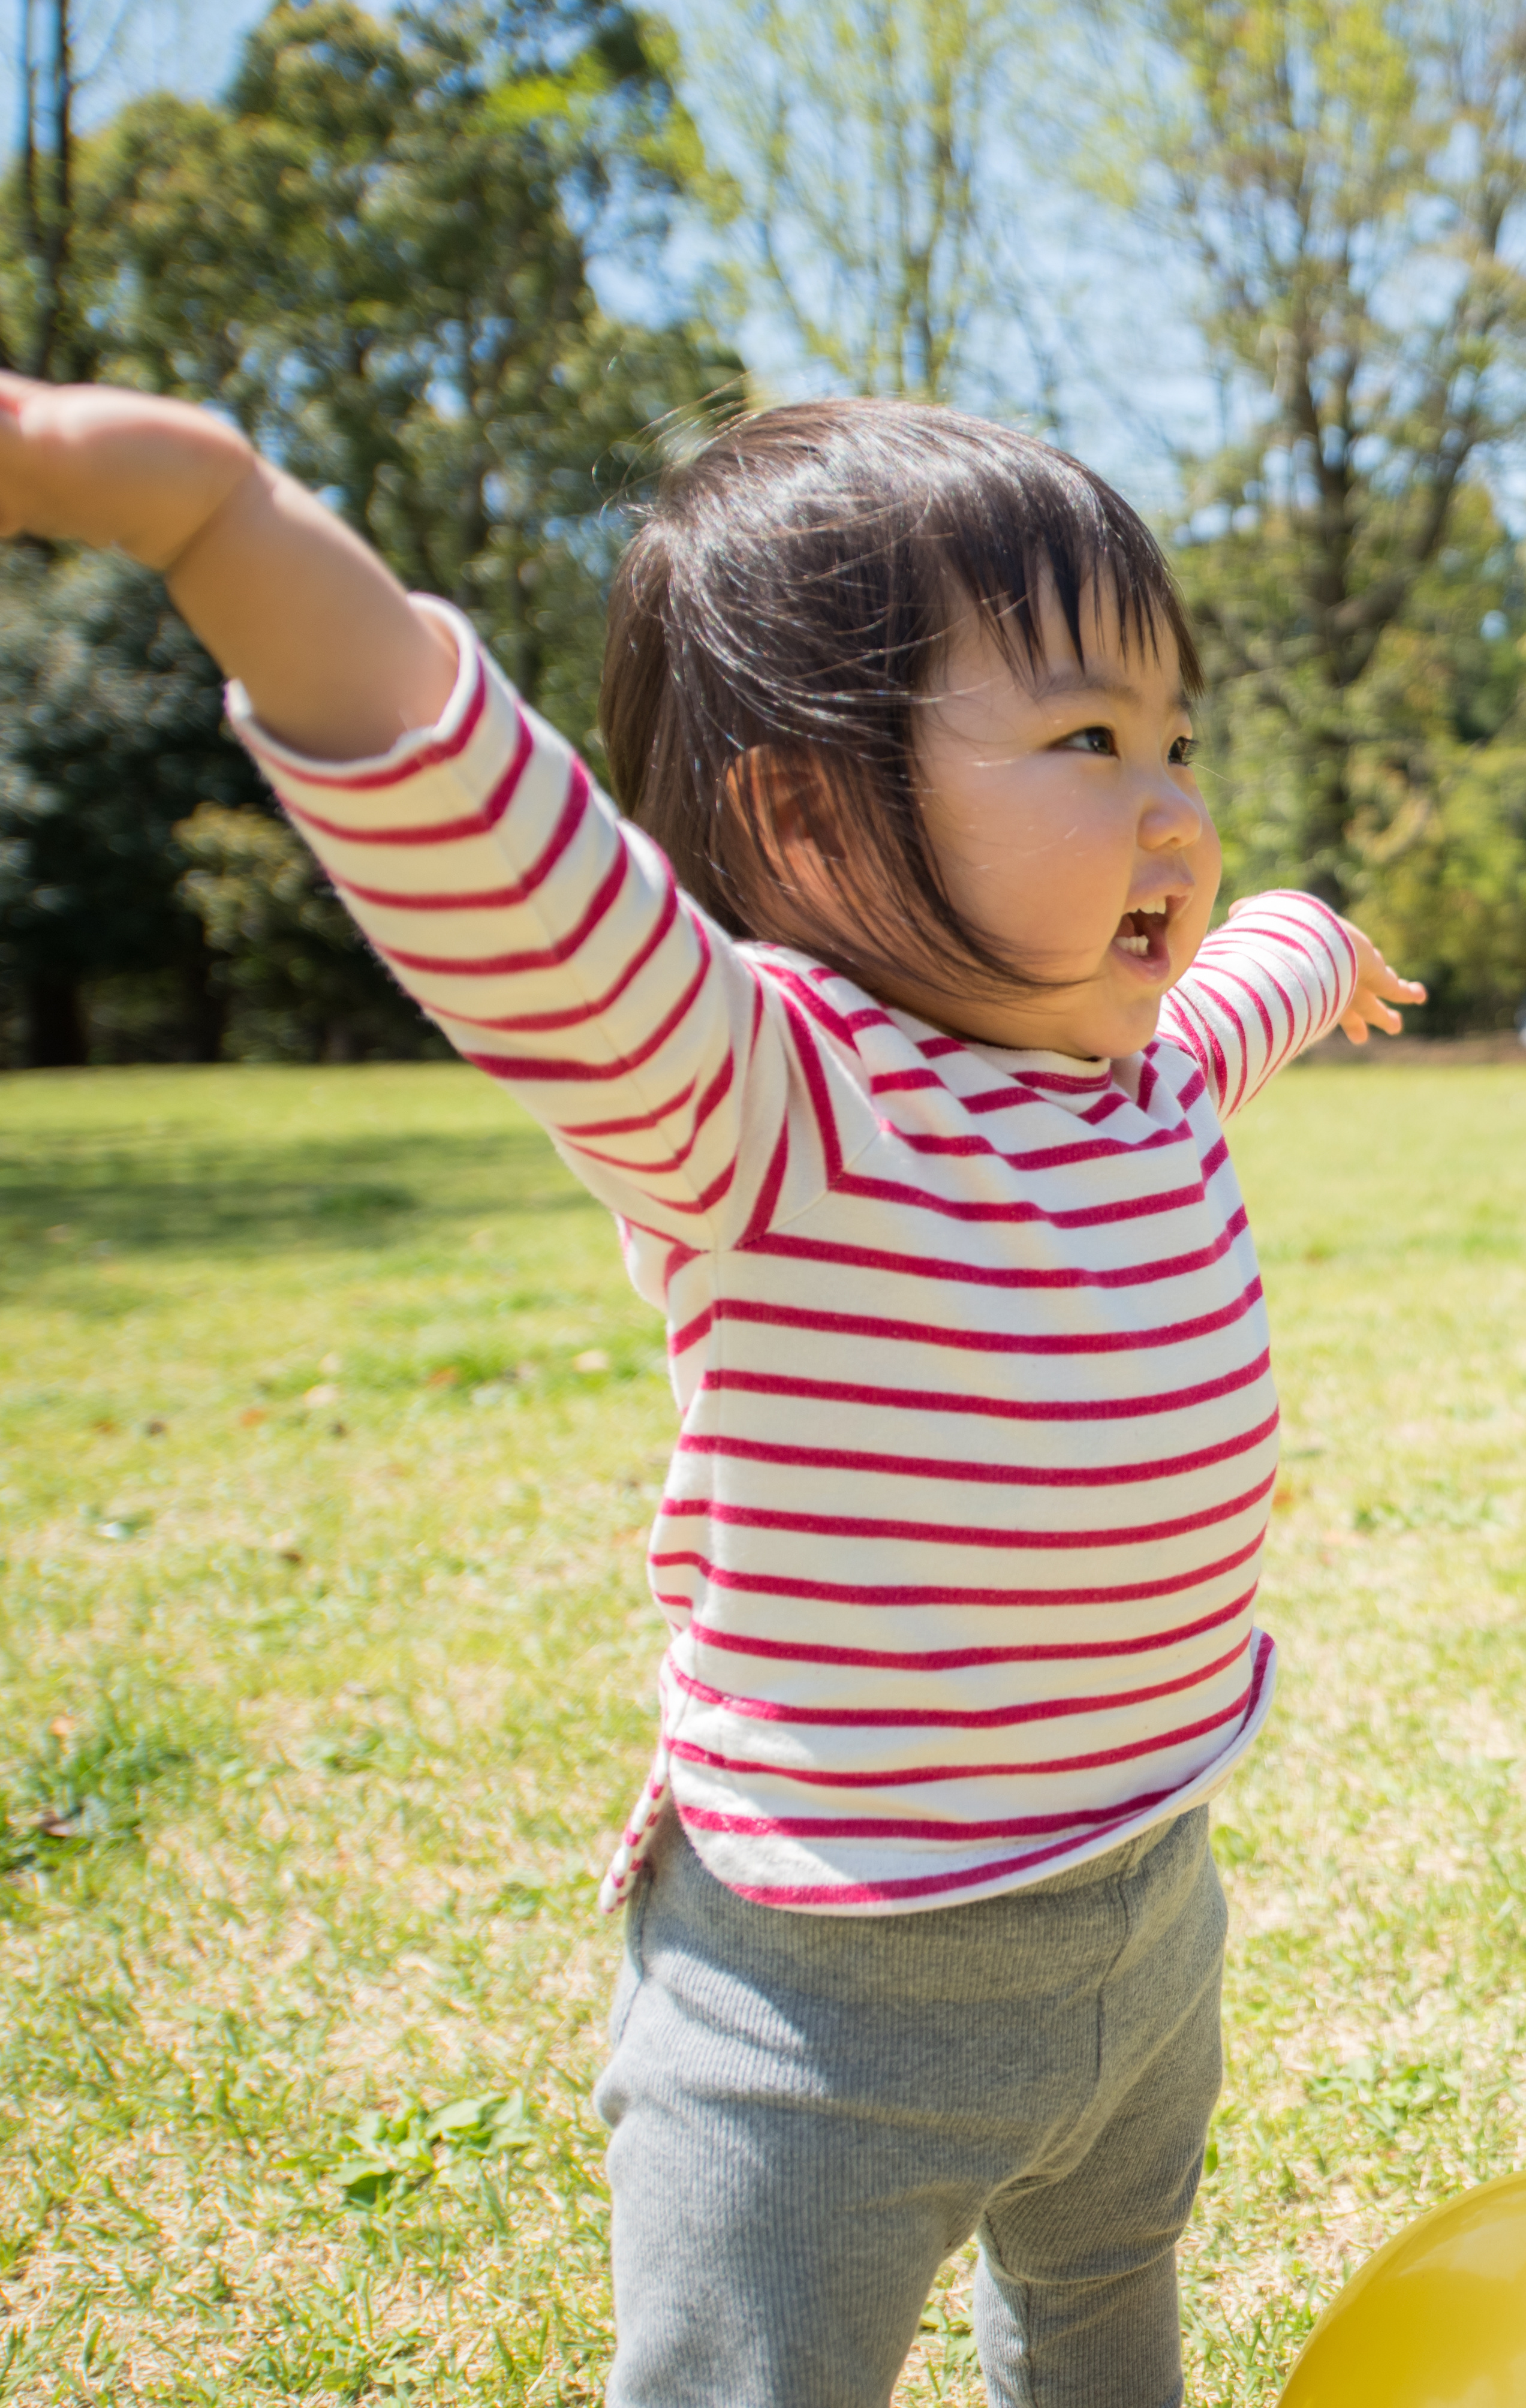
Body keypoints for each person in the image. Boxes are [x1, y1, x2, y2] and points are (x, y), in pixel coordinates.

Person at [0, 374, 1425, 2406]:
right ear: (803, 813)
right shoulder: (769, 1102)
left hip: (1148, 1912)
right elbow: (493, 842)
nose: (1176, 808)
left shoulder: (1150, 1076)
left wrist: (1320, 936)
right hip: (826, 2020)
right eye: (1090, 739)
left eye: (1180, 739)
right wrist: (223, 520)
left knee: (1107, 2310)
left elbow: (1251, 969)